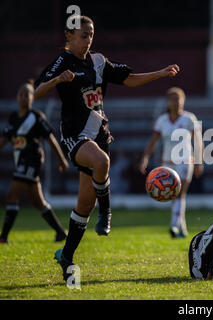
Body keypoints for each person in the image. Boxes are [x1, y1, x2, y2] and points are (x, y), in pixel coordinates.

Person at [33, 15, 180, 281]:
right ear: (69, 37)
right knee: (101, 163)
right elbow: (37, 91)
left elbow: (130, 78)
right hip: (75, 134)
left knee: (83, 205)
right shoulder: (62, 61)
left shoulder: (99, 61)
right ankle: (107, 212)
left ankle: (66, 256)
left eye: (91, 35)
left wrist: (159, 74)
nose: (87, 40)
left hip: (99, 133)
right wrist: (56, 81)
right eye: (82, 35)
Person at [0, 80, 69, 244]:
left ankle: (3, 237)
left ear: (32, 98)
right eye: (21, 94)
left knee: (11, 195)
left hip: (32, 161)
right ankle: (60, 232)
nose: (23, 98)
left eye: (27, 95)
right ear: (17, 97)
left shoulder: (36, 117)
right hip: (22, 162)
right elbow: (4, 140)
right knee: (38, 202)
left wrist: (62, 160)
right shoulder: (13, 118)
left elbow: (51, 140)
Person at [139, 87, 203, 238]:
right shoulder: (162, 120)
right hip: (167, 162)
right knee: (174, 195)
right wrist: (145, 158)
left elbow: (198, 141)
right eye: (173, 99)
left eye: (178, 99)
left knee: (180, 193)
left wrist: (199, 161)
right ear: (167, 102)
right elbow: (153, 141)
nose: (176, 102)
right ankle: (182, 229)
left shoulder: (189, 118)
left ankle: (174, 226)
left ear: (183, 101)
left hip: (185, 160)